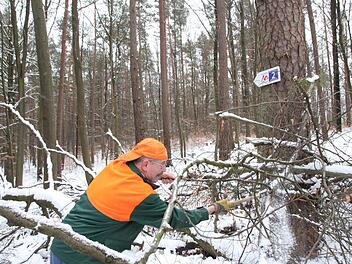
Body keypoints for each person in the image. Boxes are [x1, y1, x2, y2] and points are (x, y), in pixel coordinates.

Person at [50, 138, 233, 263]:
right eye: (162, 165)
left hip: (62, 245)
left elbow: (132, 182)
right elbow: (176, 218)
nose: (164, 168)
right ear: (145, 164)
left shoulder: (117, 167)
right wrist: (212, 208)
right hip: (80, 258)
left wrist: (156, 176)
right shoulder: (140, 196)